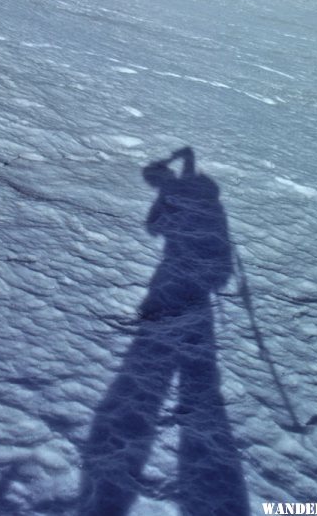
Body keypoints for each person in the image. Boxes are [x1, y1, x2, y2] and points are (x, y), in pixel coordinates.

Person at [78, 148, 249, 516]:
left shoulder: (182, 193)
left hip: (181, 269)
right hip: (200, 274)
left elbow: (154, 228)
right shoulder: (204, 191)